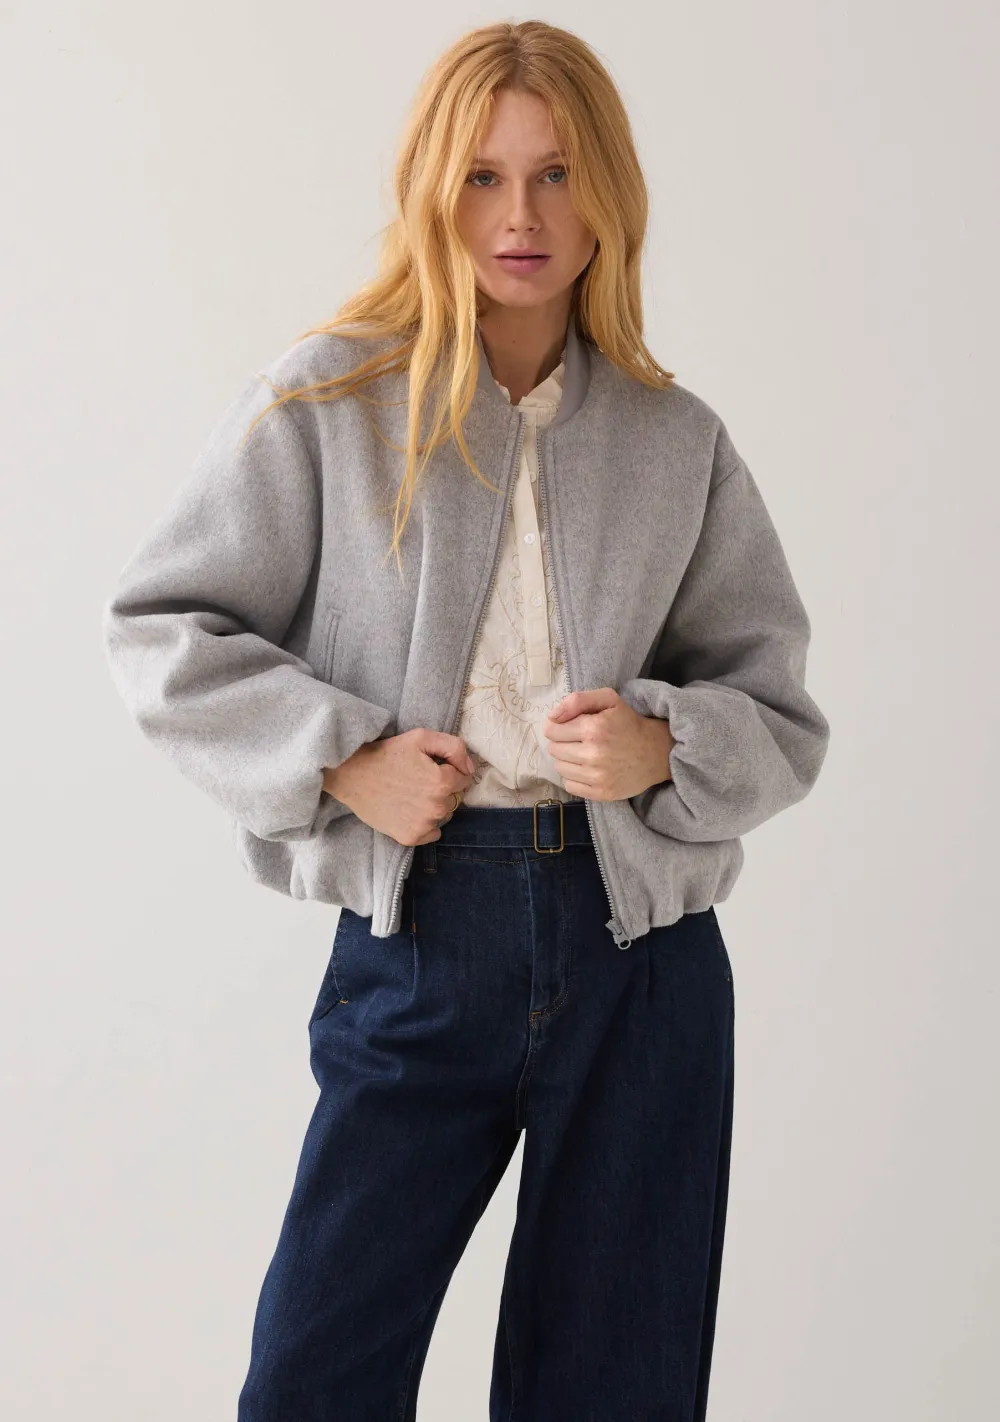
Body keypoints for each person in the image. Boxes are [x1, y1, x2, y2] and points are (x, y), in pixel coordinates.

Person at [102, 19, 830, 1422]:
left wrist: (665, 745)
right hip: (424, 932)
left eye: (557, 175)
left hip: (642, 958)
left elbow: (779, 707)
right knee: (315, 1376)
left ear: (608, 193)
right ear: (434, 190)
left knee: (615, 1390)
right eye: (485, 177)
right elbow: (161, 629)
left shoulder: (676, 439)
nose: (521, 218)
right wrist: (341, 760)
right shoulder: (332, 399)